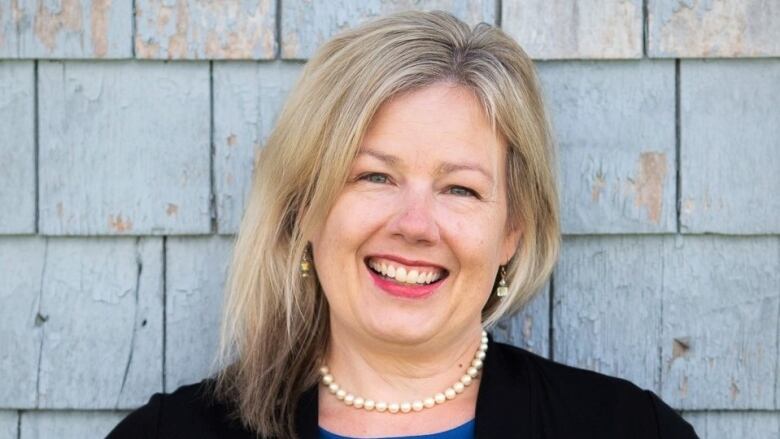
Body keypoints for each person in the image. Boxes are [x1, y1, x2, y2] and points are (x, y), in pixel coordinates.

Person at [108, 10, 698, 439]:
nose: (416, 225)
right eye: (374, 177)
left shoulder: (627, 430)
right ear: (304, 207)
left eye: (460, 188)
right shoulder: (168, 434)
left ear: (512, 230)